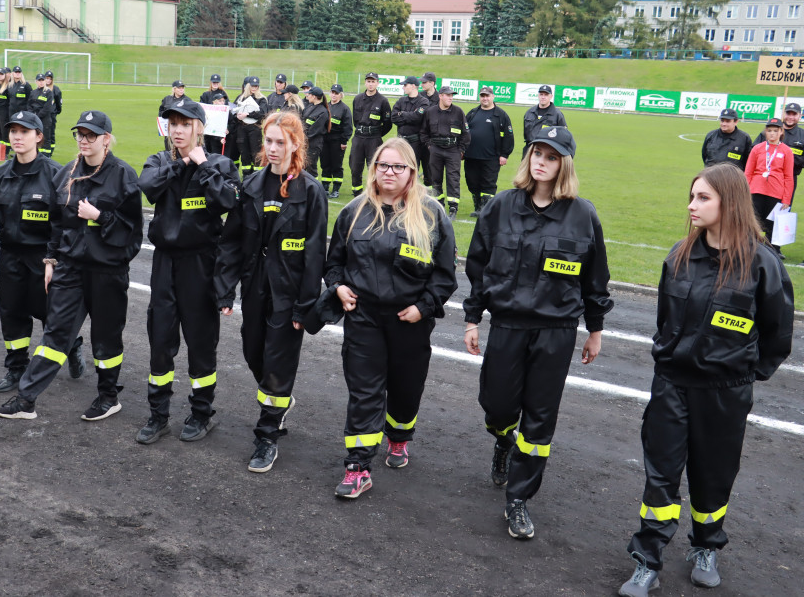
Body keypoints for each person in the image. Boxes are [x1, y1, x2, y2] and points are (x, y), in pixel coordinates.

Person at [618, 163, 793, 597]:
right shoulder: (679, 255)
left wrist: (742, 374)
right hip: (672, 385)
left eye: (703, 198)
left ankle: (705, 547)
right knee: (660, 475)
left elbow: (778, 334)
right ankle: (647, 560)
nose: (692, 206)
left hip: (724, 392)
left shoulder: (762, 263)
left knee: (713, 475)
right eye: (692, 196)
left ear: (728, 203)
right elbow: (665, 321)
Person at [463, 126, 613, 540]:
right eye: (536, 153)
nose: (541, 160)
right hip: (508, 325)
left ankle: (519, 498)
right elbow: (477, 267)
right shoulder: (500, 207)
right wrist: (472, 318)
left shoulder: (583, 214)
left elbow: (595, 279)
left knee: (541, 418)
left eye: (551, 155)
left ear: (564, 163)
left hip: (556, 330)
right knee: (496, 405)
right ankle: (501, 439)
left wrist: (594, 330)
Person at [325, 138, 457, 498]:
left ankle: (398, 437)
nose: (389, 172)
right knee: (365, 392)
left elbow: (445, 275)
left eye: (398, 166)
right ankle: (358, 466)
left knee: (405, 388)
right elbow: (333, 261)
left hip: (409, 322)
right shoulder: (353, 211)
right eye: (383, 165)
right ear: (373, 168)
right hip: (364, 318)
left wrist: (424, 307)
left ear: (412, 172)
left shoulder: (431, 215)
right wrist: (337, 286)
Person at [0, 111, 143, 421]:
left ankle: (108, 396)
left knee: (106, 337)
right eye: (79, 134)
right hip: (70, 268)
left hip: (107, 271)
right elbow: (56, 225)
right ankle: (26, 399)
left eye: (90, 135)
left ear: (106, 139)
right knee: (55, 334)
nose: (83, 141)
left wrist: (100, 218)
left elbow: (133, 235)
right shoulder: (65, 175)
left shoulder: (123, 176)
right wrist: (51, 259)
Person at [216, 111, 328, 473]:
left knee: (278, 364)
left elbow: (315, 256)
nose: (274, 148)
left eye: (282, 142)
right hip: (255, 285)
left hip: (289, 291)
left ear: (296, 144)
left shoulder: (310, 192)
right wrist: (225, 290)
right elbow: (231, 243)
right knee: (253, 352)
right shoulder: (250, 186)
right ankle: (279, 402)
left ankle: (267, 435)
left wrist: (304, 308)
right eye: (269, 141)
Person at [136, 100, 241, 444]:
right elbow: (148, 186)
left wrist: (203, 166)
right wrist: (182, 163)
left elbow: (228, 201)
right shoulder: (159, 161)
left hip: (201, 263)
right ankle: (158, 415)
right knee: (161, 340)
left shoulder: (220, 163)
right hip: (165, 263)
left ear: (199, 127)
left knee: (200, 342)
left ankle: (201, 414)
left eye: (185, 123)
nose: (178, 130)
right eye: (172, 124)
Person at [0, 110, 85, 394]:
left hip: (44, 258)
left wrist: (55, 259)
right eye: (13, 132)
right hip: (11, 257)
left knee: (50, 315)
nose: (17, 137)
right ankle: (16, 367)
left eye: (25, 131)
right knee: (12, 312)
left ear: (39, 137)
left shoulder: (56, 175)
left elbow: (66, 222)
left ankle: (73, 345)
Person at [744, 117, 794, 256]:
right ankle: (749, 248)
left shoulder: (787, 151)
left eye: (775, 131)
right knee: (753, 221)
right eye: (769, 130)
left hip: (776, 192)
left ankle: (771, 252)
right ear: (765, 132)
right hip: (756, 190)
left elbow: (789, 177)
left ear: (781, 132)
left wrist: (786, 199)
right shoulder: (757, 149)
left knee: (772, 225)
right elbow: (748, 172)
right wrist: (745, 191)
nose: (772, 133)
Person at [420, 85, 470, 218]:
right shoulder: (430, 112)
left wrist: (461, 150)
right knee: (435, 178)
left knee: (453, 179)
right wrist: (430, 146)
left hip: (453, 150)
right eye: (448, 95)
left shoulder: (459, 112)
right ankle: (439, 204)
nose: (450, 97)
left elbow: (466, 134)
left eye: (452, 95)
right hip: (435, 150)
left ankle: (453, 208)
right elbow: (424, 132)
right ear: (440, 96)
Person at [464, 85, 515, 216]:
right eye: (482, 96)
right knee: (472, 182)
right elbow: (464, 133)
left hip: (491, 157)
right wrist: (462, 150)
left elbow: (509, 136)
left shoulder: (501, 115)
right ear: (479, 97)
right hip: (471, 156)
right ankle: (478, 207)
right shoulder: (472, 113)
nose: (485, 98)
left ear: (493, 97)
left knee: (488, 184)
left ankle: (486, 210)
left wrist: (504, 154)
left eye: (487, 96)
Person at [349, 72, 393, 196]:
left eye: (373, 81)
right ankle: (357, 192)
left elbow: (388, 123)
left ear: (377, 83)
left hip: (374, 139)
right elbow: (355, 120)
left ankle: (374, 192)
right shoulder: (357, 98)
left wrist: (377, 133)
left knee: (373, 167)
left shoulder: (383, 101)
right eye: (368, 81)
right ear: (365, 82)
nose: (371, 84)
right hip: (358, 138)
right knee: (355, 166)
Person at [753, 102, 804, 202]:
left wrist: (786, 160)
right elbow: (754, 150)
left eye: (794, 114)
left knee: (781, 210)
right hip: (764, 177)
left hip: (788, 179)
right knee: (759, 211)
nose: (790, 117)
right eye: (788, 113)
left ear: (800, 116)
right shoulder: (769, 131)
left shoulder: (802, 135)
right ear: (783, 114)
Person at [390, 76, 430, 183]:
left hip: (415, 143)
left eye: (405, 85)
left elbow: (418, 118)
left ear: (413, 86)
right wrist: (410, 116)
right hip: (401, 141)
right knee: (399, 169)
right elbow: (393, 117)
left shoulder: (424, 102)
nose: (403, 87)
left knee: (412, 170)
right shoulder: (401, 100)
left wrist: (402, 114)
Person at [230, 76, 270, 180]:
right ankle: (246, 177)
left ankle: (257, 178)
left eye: (256, 86)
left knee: (256, 154)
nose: (254, 88)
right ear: (248, 86)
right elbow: (233, 111)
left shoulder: (262, 99)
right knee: (244, 155)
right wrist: (237, 116)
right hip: (241, 129)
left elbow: (262, 113)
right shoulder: (241, 98)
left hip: (255, 129)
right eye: (252, 86)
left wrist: (247, 114)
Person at [321, 84, 353, 199]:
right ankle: (325, 187)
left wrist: (344, 141)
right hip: (325, 140)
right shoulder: (326, 106)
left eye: (336, 93)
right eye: (332, 92)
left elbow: (348, 127)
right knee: (325, 164)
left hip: (337, 141)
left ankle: (336, 189)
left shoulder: (344, 109)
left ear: (341, 95)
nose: (334, 95)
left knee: (336, 165)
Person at [522, 85, 567, 151]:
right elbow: (526, 134)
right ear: (538, 95)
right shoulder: (529, 112)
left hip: (547, 151)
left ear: (551, 96)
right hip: (529, 149)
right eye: (541, 94)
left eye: (546, 95)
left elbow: (564, 136)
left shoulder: (557, 114)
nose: (543, 97)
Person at [302, 86, 331, 176]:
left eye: (309, 94)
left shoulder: (323, 111)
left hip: (313, 143)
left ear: (314, 96)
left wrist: (303, 137)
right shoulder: (309, 106)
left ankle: (313, 188)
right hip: (304, 141)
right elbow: (302, 120)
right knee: (301, 165)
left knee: (311, 167)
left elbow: (315, 130)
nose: (307, 96)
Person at [417, 72, 439, 185]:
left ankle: (429, 198)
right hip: (416, 138)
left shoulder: (440, 98)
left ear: (432, 83)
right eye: (421, 82)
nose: (422, 84)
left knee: (430, 170)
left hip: (431, 141)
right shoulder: (418, 96)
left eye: (424, 82)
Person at [29, 75, 56, 155]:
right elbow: (29, 104)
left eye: (42, 80)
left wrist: (37, 115)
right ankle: (36, 155)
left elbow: (47, 107)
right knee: (36, 137)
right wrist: (31, 113)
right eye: (39, 80)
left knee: (46, 138)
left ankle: (46, 156)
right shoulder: (33, 92)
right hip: (35, 118)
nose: (41, 82)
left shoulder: (48, 92)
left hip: (45, 119)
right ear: (36, 81)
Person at [44, 71, 63, 156]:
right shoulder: (41, 89)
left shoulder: (56, 90)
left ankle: (50, 151)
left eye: (50, 79)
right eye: (46, 78)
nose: (48, 80)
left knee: (51, 133)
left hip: (51, 115)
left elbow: (59, 103)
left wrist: (55, 112)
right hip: (42, 115)